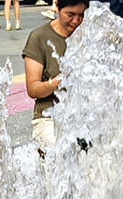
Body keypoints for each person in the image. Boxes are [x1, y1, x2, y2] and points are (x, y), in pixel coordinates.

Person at [22, 0, 86, 147]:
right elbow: (33, 89)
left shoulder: (89, 35)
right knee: (59, 150)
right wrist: (57, 82)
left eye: (81, 15)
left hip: (83, 117)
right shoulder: (39, 37)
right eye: (70, 14)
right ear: (57, 7)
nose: (76, 21)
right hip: (49, 116)